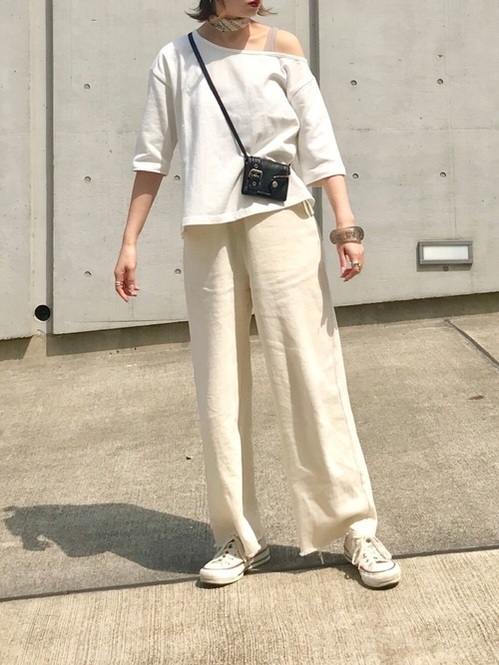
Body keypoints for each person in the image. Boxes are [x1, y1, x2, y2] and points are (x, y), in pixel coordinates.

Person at [114, 0, 401, 590]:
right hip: (208, 231)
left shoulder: (283, 47)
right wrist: (129, 240)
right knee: (218, 383)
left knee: (311, 370)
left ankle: (353, 525)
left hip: (281, 219)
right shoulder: (176, 58)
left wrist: (345, 225)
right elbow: (152, 155)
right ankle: (238, 537)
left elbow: (318, 141)